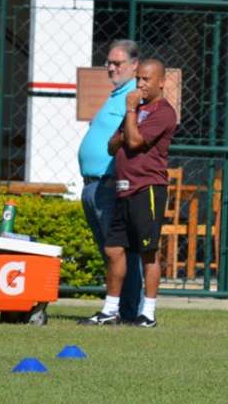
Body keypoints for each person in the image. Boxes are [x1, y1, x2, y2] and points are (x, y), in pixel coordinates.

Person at [83, 58, 176, 328]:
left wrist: (130, 114)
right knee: (113, 250)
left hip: (146, 189)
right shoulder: (136, 110)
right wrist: (128, 122)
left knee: (148, 253)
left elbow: (134, 142)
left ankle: (148, 313)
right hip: (122, 189)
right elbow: (113, 145)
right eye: (139, 79)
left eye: (147, 79)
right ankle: (110, 309)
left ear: (161, 82)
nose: (142, 84)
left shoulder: (163, 112)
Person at [77, 39, 143, 324]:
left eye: (118, 63)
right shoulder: (117, 94)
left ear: (134, 65)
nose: (111, 68)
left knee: (118, 251)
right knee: (109, 252)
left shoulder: (134, 96)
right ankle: (117, 307)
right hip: (93, 184)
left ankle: (128, 311)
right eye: (109, 62)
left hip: (109, 183)